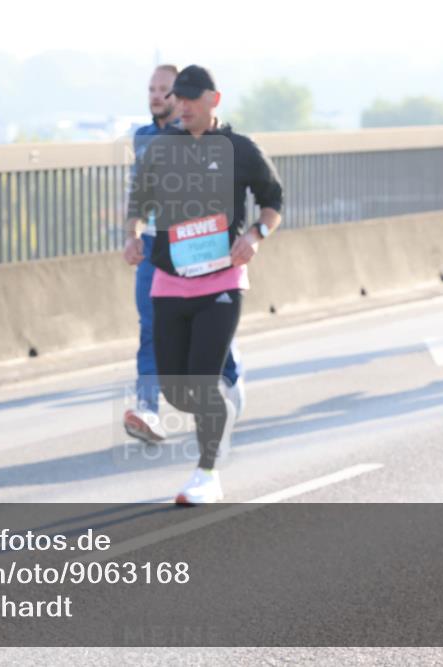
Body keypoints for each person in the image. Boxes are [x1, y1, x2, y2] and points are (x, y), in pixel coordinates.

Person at [124, 65, 282, 504]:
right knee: (177, 389)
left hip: (222, 283)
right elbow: (139, 198)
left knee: (202, 379)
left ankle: (206, 474)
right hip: (170, 280)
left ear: (215, 99)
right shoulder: (160, 149)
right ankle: (219, 412)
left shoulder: (240, 148)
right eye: (179, 97)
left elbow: (273, 202)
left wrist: (255, 236)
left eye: (193, 98)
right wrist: (131, 234)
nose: (183, 105)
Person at [123, 64, 244, 446]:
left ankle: (229, 381)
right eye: (151, 89)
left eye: (165, 90)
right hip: (157, 247)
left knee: (206, 334)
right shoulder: (142, 138)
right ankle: (148, 411)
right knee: (150, 330)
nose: (157, 96)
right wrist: (132, 233)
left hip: (197, 244)